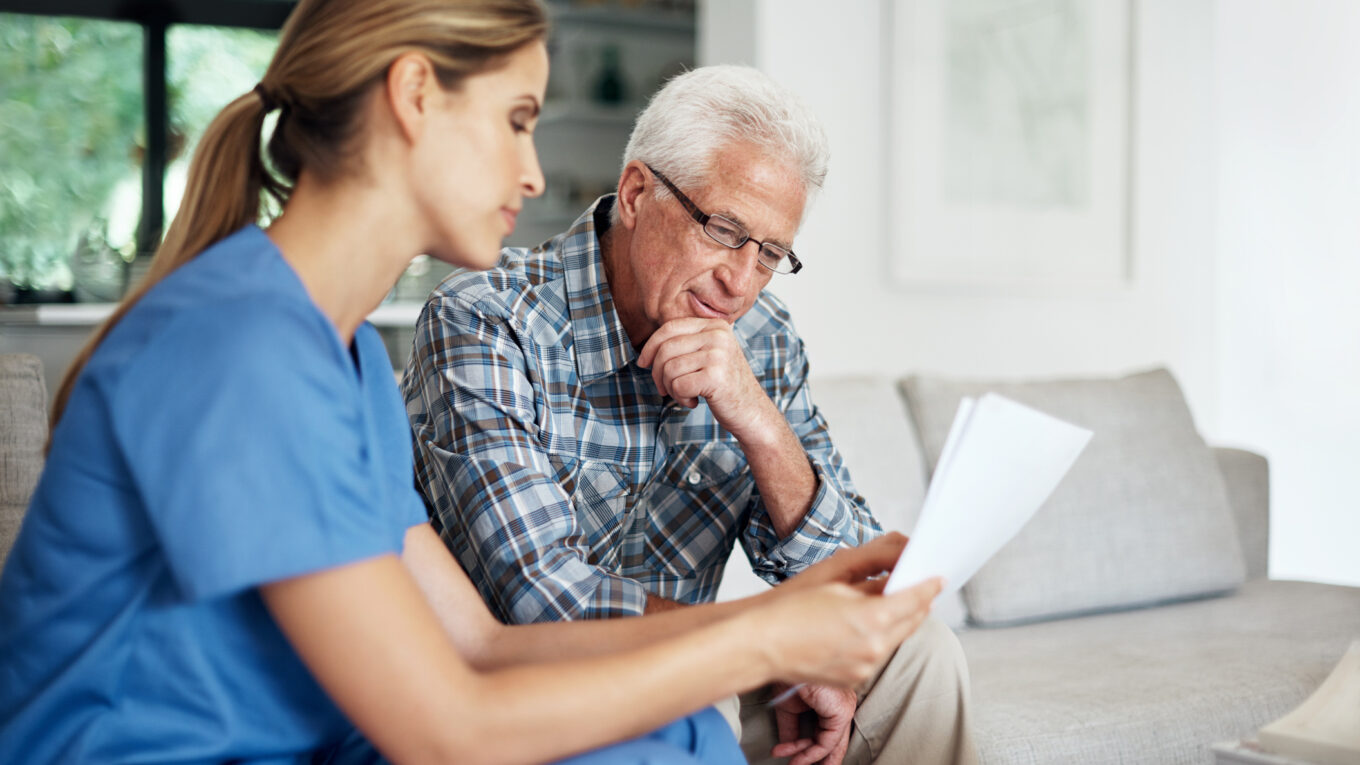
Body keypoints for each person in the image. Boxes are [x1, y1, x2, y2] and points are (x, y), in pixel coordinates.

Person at [0, 2, 946, 763]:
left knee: (681, 730)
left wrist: (781, 621)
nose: (534, 174)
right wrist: (768, 639)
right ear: (415, 95)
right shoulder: (239, 346)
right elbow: (446, 725)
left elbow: (480, 644)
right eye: (517, 120)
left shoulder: (347, 360)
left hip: (331, 733)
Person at [402, 65, 977, 765]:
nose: (740, 283)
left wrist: (759, 422)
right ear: (636, 193)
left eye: (770, 254)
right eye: (725, 229)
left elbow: (855, 581)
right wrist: (758, 643)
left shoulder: (762, 337)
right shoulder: (485, 321)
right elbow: (540, 598)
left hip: (706, 661)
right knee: (699, 695)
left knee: (919, 653)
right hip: (529, 691)